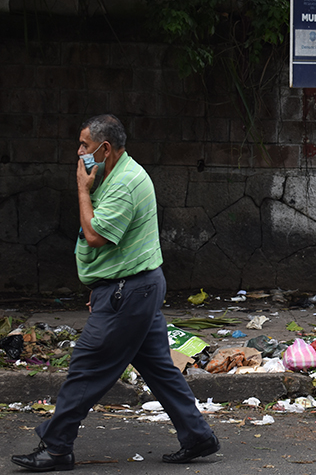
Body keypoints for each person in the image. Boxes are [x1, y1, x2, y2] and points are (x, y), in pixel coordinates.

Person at [11, 114, 220, 471]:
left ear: (104, 149)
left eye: (84, 146)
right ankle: (197, 435)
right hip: (130, 288)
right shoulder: (113, 175)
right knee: (158, 369)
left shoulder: (124, 183)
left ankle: (58, 447)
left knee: (86, 367)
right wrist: (102, 286)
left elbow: (96, 235)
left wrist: (81, 190)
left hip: (130, 292)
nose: (79, 153)